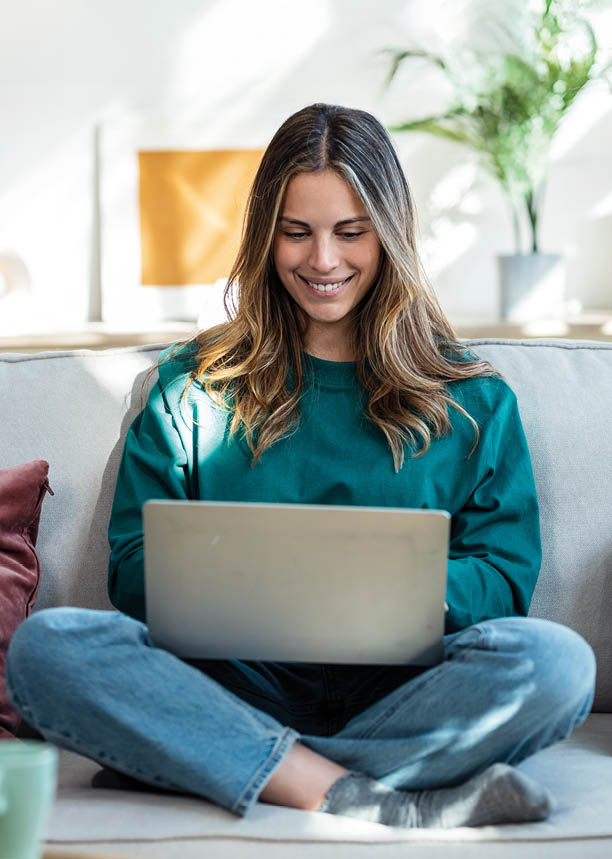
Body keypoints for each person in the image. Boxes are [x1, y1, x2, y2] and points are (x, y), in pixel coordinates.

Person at [6, 103, 596, 829]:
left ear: (390, 233)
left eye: (351, 232)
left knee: (558, 663)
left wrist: (381, 586)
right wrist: (244, 579)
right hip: (228, 683)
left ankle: (239, 763)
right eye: (297, 232)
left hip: (408, 689)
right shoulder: (191, 385)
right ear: (264, 235)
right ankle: (363, 793)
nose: (323, 260)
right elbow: (130, 568)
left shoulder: (472, 399)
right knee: (49, 647)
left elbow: (504, 578)